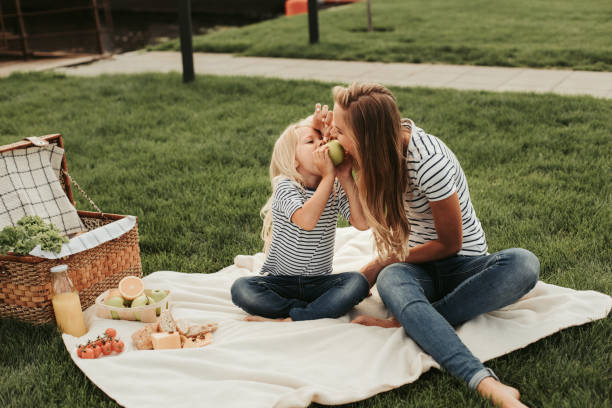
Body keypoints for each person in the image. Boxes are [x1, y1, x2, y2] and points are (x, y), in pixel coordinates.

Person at [321, 83, 540, 408]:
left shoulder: (427, 161)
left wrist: (384, 261)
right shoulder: (376, 154)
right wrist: (344, 175)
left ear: (366, 135)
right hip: (415, 270)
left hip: (462, 266)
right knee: (392, 278)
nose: (332, 139)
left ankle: (418, 323)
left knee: (523, 264)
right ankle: (472, 368)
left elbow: (450, 244)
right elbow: (364, 222)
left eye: (338, 131)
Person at [231, 114, 370, 322]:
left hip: (319, 282)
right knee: (241, 288)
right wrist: (329, 176)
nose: (321, 144)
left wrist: (345, 177)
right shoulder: (286, 186)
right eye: (310, 142)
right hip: (280, 283)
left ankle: (292, 316)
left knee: (358, 282)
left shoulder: (335, 186)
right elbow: (307, 221)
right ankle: (312, 311)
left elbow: (362, 223)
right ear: (293, 159)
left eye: (321, 140)